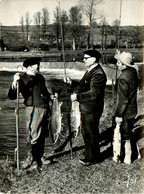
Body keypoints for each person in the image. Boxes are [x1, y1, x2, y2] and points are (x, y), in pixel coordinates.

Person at [8, 57, 52, 171]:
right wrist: (14, 82)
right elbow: (12, 96)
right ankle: (32, 160)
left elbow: (45, 92)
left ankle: (40, 157)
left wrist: (51, 96)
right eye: (35, 65)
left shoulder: (40, 77)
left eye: (38, 64)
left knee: (42, 134)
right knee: (33, 135)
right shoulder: (22, 79)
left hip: (45, 108)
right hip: (33, 109)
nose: (38, 66)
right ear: (29, 67)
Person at [65, 50, 107, 165]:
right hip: (87, 108)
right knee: (86, 131)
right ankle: (91, 154)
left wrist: (77, 97)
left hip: (92, 108)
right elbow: (84, 86)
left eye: (86, 58)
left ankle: (92, 158)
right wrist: (72, 83)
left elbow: (94, 93)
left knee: (90, 132)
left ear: (94, 59)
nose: (84, 60)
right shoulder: (91, 71)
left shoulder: (98, 74)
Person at [113, 51, 141, 164]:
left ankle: (128, 156)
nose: (116, 64)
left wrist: (119, 115)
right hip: (133, 109)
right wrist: (121, 55)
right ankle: (137, 153)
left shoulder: (123, 78)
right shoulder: (133, 72)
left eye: (119, 62)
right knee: (129, 131)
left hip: (125, 111)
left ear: (125, 65)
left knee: (125, 134)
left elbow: (123, 100)